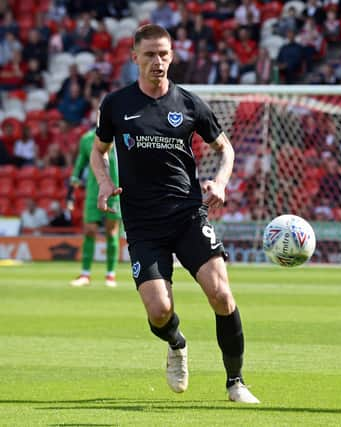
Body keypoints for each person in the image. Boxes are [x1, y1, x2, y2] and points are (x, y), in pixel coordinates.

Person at [89, 24, 259, 404]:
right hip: (142, 222)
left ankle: (236, 382)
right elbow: (97, 151)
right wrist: (103, 182)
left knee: (220, 293)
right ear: (134, 57)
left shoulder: (189, 104)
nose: (158, 61)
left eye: (164, 54)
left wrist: (220, 182)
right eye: (149, 54)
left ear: (172, 56)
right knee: (160, 310)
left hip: (187, 213)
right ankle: (176, 342)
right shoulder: (116, 105)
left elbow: (226, 149)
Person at [69, 128, 120, 288]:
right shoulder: (87, 139)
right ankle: (85, 274)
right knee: (89, 229)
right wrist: (75, 176)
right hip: (94, 188)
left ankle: (110, 275)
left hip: (117, 189)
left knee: (112, 232)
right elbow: (81, 160)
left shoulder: (120, 135)